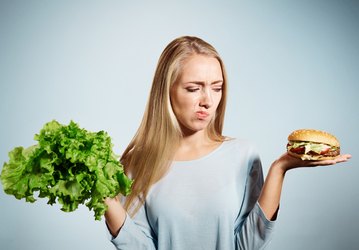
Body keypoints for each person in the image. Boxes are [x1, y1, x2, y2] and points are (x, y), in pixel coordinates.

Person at [104, 36, 351, 250]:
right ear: (166, 90)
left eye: (217, 88)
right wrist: (104, 199)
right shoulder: (137, 162)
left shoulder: (242, 154)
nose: (208, 101)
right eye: (193, 88)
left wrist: (280, 168)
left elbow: (248, 244)